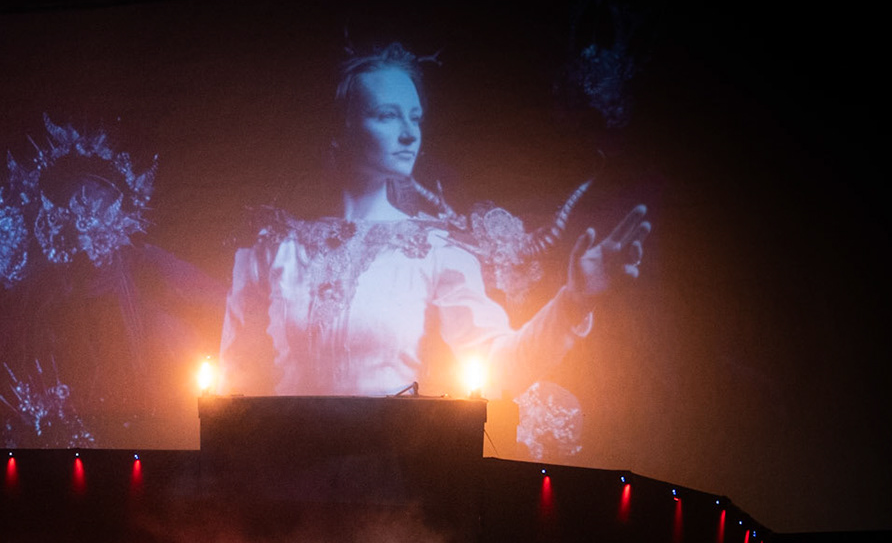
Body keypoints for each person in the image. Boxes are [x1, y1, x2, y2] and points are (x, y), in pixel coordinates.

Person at [218, 44, 651, 416]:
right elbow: (231, 379)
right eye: (387, 115)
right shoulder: (272, 248)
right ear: (340, 127)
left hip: (390, 470)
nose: (409, 134)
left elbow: (499, 369)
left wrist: (575, 300)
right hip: (284, 466)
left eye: (416, 118)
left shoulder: (433, 249)